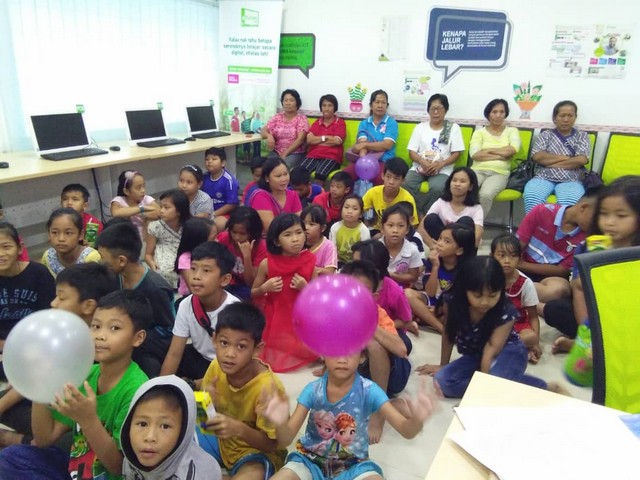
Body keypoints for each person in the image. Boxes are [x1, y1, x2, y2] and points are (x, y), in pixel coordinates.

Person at [0, 290, 151, 479]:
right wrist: (41, 388)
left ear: (138, 338)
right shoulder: (86, 373)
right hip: (76, 468)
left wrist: (88, 420)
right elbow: (45, 439)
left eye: (114, 328)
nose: (100, 336)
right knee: (11, 458)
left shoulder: (137, 391)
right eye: (96, 326)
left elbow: (118, 467)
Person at [260, 349, 435, 480]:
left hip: (353, 465)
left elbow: (406, 431)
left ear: (362, 357)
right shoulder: (312, 390)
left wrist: (417, 419)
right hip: (309, 461)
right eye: (335, 351)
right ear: (323, 354)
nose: (342, 359)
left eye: (350, 351)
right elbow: (285, 440)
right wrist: (280, 422)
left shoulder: (370, 391)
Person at [0, 263, 117, 448]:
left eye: (61, 298)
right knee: (6, 400)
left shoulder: (100, 346)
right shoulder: (61, 335)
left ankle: (18, 440)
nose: (53, 303)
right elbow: (37, 380)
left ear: (88, 306)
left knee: (69, 442)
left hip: (77, 414)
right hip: (51, 400)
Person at [416, 257, 567, 398]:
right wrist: (443, 364)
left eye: (493, 295)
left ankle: (545, 388)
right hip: (476, 354)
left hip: (509, 351)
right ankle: (500, 385)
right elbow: (449, 333)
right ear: (465, 289)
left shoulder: (506, 311)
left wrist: (486, 384)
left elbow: (491, 349)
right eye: (477, 296)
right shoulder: (452, 302)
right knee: (442, 381)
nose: (485, 302)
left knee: (493, 384)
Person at [545, 176, 640, 353]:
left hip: (630, 315)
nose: (609, 222)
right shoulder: (589, 246)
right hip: (597, 313)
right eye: (604, 213)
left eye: (621, 216)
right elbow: (580, 290)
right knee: (555, 309)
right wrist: (587, 336)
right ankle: (589, 344)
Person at [198, 303, 288, 479]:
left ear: (257, 349)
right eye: (224, 343)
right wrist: (206, 404)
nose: (230, 354)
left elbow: (271, 445)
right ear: (214, 340)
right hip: (219, 441)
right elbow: (203, 421)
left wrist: (239, 429)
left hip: (253, 452)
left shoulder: (268, 388)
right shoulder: (216, 366)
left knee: (255, 472)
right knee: (173, 439)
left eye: (241, 346)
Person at [341, 260, 410, 443]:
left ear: (373, 296)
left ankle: (380, 411)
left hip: (392, 375)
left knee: (374, 345)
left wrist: (369, 325)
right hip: (362, 372)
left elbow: (401, 350)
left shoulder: (378, 314)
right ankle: (395, 404)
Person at [96, 221, 176, 378]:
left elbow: (167, 331)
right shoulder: (115, 277)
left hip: (145, 347)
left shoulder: (155, 289)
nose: (100, 262)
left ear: (122, 260)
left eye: (103, 258)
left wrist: (129, 337)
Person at [160, 242, 240, 387]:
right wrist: (161, 388)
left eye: (206, 271)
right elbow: (174, 354)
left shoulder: (235, 311)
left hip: (224, 366)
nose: (196, 276)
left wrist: (192, 384)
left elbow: (237, 362)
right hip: (198, 358)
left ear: (225, 280)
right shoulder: (186, 304)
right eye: (193, 268)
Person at [121, 376, 222, 479]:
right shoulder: (130, 461)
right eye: (142, 424)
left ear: (183, 432)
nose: (150, 437)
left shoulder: (200, 475)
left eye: (165, 426)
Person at [251, 213, 317, 373]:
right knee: (275, 351)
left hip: (302, 319)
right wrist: (264, 288)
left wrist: (305, 288)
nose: (295, 239)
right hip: (276, 320)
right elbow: (253, 293)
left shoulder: (310, 260)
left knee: (314, 351)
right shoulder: (267, 264)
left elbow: (317, 299)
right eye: (288, 235)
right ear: (276, 241)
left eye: (299, 232)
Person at [516, 186, 600, 305]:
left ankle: (516, 295)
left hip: (549, 276)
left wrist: (522, 265)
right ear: (584, 208)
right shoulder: (542, 211)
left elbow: (561, 270)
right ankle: (519, 295)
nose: (599, 224)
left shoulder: (589, 237)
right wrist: (515, 264)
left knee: (559, 290)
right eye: (596, 218)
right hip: (519, 268)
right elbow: (517, 246)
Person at [405, 223, 476, 334]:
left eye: (447, 241)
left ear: (459, 250)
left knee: (461, 315)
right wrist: (435, 267)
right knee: (408, 294)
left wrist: (439, 310)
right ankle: (441, 328)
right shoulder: (434, 260)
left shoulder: (467, 268)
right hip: (433, 301)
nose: (440, 243)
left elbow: (462, 299)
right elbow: (430, 293)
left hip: (452, 306)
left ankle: (426, 318)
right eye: (440, 238)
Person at [0, 222, 55, 364]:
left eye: (6, 247)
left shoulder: (38, 273)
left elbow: (50, 316)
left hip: (37, 345)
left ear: (19, 248)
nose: (1, 254)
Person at [523, 100, 591, 214]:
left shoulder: (582, 136)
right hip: (542, 177)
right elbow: (537, 157)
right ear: (554, 118)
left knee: (570, 203)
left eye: (570, 115)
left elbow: (581, 160)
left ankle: (561, 226)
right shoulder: (545, 135)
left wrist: (548, 162)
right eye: (562, 115)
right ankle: (538, 226)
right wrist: (567, 158)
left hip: (572, 180)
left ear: (575, 117)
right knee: (532, 198)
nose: (566, 119)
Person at [404, 93, 466, 214]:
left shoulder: (453, 128)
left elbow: (456, 153)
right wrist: (423, 162)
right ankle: (415, 213)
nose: (436, 112)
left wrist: (440, 164)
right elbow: (412, 152)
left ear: (446, 110)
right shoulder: (420, 128)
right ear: (428, 111)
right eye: (433, 108)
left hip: (442, 169)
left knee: (438, 188)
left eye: (439, 108)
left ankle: (428, 215)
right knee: (407, 183)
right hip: (420, 166)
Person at [491, 234, 542, 363]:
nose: (507, 261)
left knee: (531, 337)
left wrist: (535, 343)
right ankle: (511, 349)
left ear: (519, 259)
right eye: (501, 255)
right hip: (493, 324)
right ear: (492, 257)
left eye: (513, 256)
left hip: (517, 326)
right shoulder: (487, 277)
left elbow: (533, 316)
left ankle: (497, 348)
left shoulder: (526, 283)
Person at [352, 239, 418, 336]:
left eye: (357, 265)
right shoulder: (351, 284)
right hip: (358, 327)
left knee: (405, 343)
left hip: (387, 330)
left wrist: (382, 327)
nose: (352, 268)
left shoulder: (394, 291)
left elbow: (405, 320)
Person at [469, 99, 521, 217]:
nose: (498, 115)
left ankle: (477, 223)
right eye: (494, 112)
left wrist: (486, 150)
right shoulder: (479, 133)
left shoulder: (512, 131)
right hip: (477, 171)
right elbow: (475, 154)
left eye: (502, 112)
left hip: (499, 173)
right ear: (488, 114)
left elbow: (513, 150)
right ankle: (460, 220)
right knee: (464, 189)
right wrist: (500, 154)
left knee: (485, 194)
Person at [343, 89, 399, 185]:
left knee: (379, 179)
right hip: (363, 159)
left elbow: (387, 145)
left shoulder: (391, 123)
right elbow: (361, 145)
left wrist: (365, 144)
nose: (380, 105)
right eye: (377, 102)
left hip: (384, 161)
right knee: (344, 176)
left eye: (383, 102)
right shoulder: (364, 123)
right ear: (371, 105)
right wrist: (364, 161)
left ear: (387, 106)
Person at [420, 166, 484, 249]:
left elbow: (477, 236)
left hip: (462, 250)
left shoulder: (476, 208)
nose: (457, 184)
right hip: (440, 245)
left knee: (466, 221)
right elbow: (421, 228)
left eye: (462, 181)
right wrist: (433, 246)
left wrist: (454, 250)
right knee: (431, 218)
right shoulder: (441, 202)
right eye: (454, 180)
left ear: (470, 187)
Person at [216, 206, 267, 301]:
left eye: (242, 233)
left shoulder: (261, 247)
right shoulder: (224, 238)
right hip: (226, 282)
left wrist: (247, 256)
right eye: (234, 232)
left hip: (245, 288)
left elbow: (251, 283)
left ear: (253, 233)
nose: (237, 237)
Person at [145, 189, 191, 288]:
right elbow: (148, 254)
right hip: (163, 255)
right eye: (161, 207)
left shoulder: (190, 226)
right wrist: (152, 264)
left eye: (166, 207)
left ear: (179, 211)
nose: (161, 211)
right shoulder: (155, 227)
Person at [247, 157, 302, 233]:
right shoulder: (260, 196)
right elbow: (271, 228)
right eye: (278, 176)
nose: (284, 179)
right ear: (267, 178)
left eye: (286, 174)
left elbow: (299, 223)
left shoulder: (293, 195)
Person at [362, 157, 418, 232]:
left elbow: (413, 224)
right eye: (388, 177)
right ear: (383, 176)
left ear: (403, 181)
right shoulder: (373, 192)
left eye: (396, 178)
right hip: (378, 230)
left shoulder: (407, 199)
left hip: (397, 232)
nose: (391, 182)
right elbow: (359, 211)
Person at [41, 208, 101, 277]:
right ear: (49, 234)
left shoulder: (90, 258)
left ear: (81, 235)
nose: (61, 239)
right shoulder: (48, 257)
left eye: (68, 233)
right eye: (55, 233)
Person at [301, 94, 347, 185]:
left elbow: (337, 141)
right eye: (324, 105)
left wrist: (317, 141)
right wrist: (325, 138)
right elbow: (309, 140)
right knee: (300, 172)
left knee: (320, 174)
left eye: (330, 106)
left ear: (334, 108)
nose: (326, 109)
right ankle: (301, 194)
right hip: (313, 155)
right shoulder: (317, 122)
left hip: (332, 157)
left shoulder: (340, 123)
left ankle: (317, 194)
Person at [110, 170, 160, 246]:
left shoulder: (146, 199)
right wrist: (141, 208)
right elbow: (115, 213)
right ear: (126, 191)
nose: (143, 190)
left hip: (145, 239)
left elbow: (158, 212)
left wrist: (140, 213)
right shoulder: (119, 200)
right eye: (138, 188)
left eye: (143, 186)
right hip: (126, 240)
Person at [262, 89, 309, 168]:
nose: (288, 103)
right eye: (285, 100)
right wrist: (269, 136)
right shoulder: (277, 117)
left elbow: (300, 140)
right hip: (277, 151)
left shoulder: (301, 119)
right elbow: (263, 130)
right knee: (266, 166)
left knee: (282, 167)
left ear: (297, 103)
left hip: (295, 153)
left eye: (291, 100)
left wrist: (285, 153)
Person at [379, 204, 422, 288]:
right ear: (382, 228)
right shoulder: (374, 249)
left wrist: (390, 274)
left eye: (401, 226)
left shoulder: (412, 250)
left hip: (402, 288)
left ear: (407, 229)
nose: (395, 230)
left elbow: (413, 277)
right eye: (390, 225)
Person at [175, 217, 217, 297]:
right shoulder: (185, 259)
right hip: (190, 296)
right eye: (213, 238)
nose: (217, 240)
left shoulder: (213, 252)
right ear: (200, 239)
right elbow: (193, 287)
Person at [201, 147, 239, 232]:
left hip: (224, 214)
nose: (209, 161)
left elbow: (232, 204)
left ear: (223, 163)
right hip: (207, 211)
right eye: (207, 159)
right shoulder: (204, 177)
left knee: (217, 225)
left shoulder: (229, 181)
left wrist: (213, 214)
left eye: (214, 159)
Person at [329, 194, 370, 266]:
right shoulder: (335, 228)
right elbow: (332, 251)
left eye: (355, 209)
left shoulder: (364, 230)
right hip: (338, 262)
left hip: (357, 264)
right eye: (346, 207)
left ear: (360, 214)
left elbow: (364, 255)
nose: (349, 211)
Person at [302, 204, 337, 275]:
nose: (306, 227)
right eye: (304, 223)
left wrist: (311, 269)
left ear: (323, 228)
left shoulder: (329, 246)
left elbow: (330, 272)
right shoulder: (297, 242)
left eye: (311, 224)